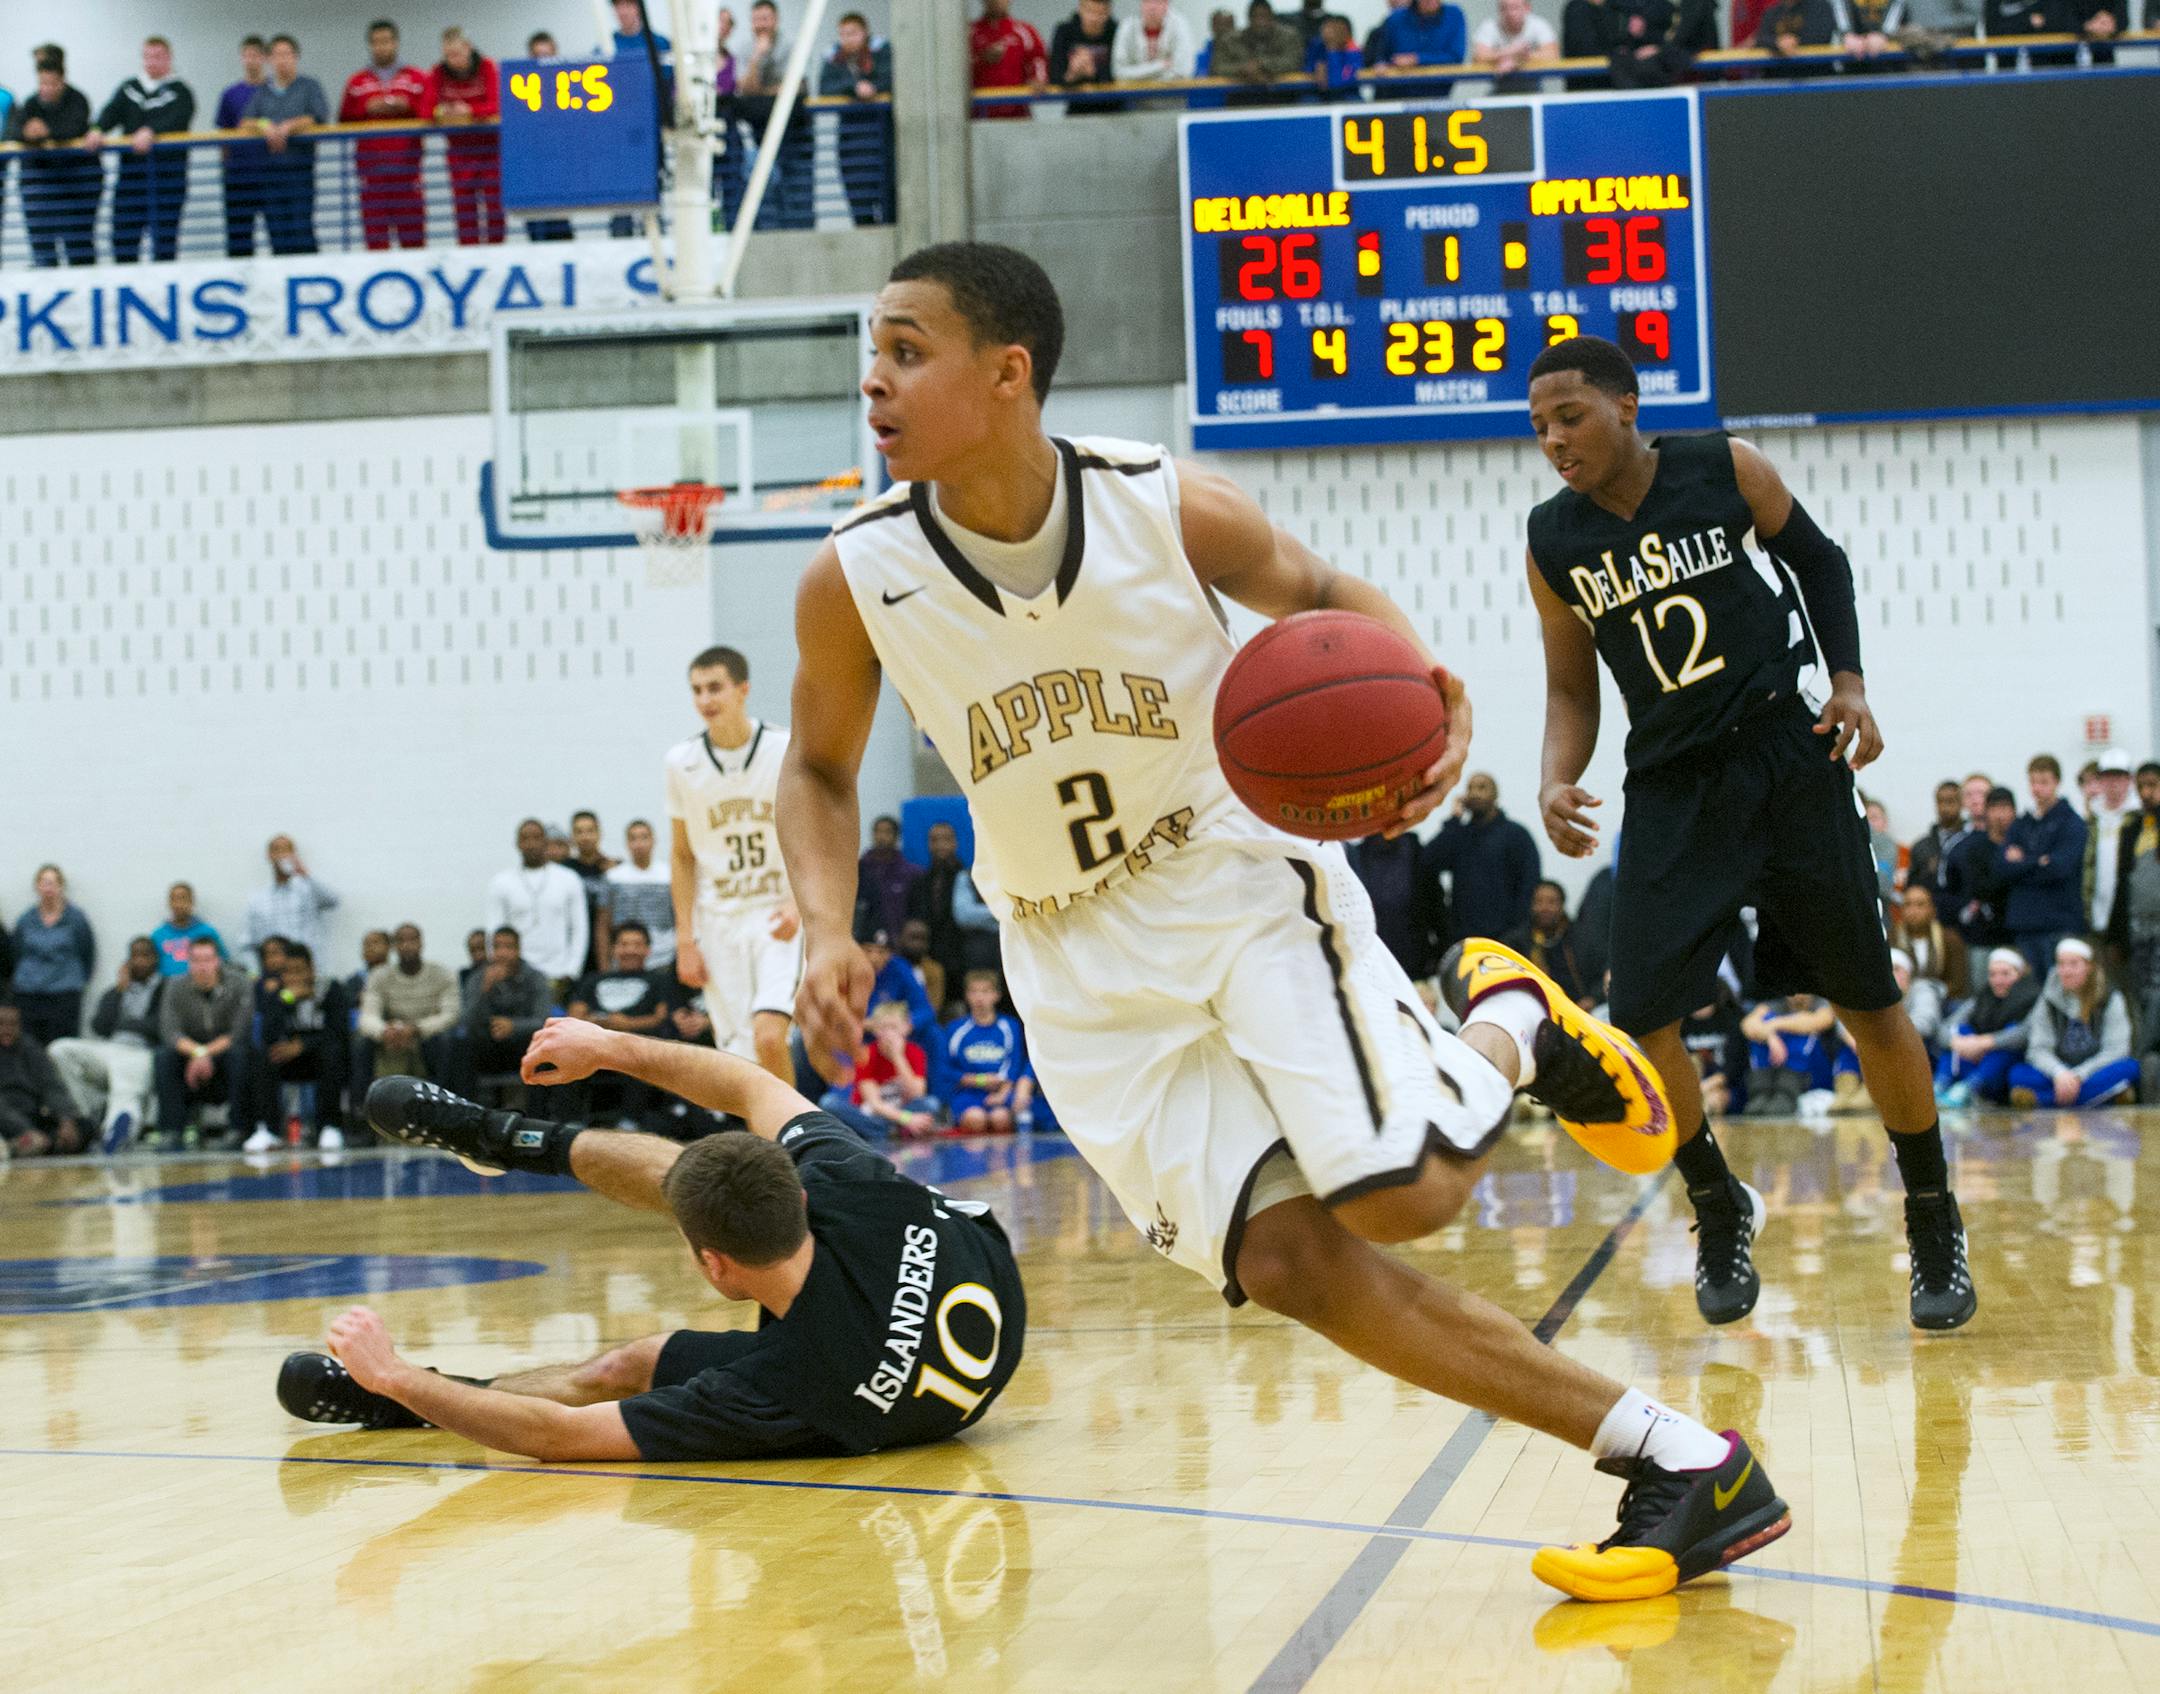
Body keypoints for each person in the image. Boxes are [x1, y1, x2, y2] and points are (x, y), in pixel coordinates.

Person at [780, 242, 1787, 1603]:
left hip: (1228, 878)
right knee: (1291, 1259)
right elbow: (824, 769)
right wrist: (825, 923)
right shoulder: (854, 575)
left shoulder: (1159, 507)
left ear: (1006, 373)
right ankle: (1686, 1463)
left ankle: (1512, 1018)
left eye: (908, 348)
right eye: (875, 349)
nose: (875, 378)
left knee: (1406, 1191)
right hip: (1068, 959)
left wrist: (1430, 691)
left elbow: (1319, 598)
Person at [1523, 334, 1972, 1331]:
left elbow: (1821, 562)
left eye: (1571, 416)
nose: (1554, 440)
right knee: (1639, 1016)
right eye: (1540, 426)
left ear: (1626, 405)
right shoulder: (1553, 538)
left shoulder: (1721, 466)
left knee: (1868, 998)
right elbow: (1569, 682)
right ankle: (1719, 1205)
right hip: (1674, 785)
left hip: (1784, 752)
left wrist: (1848, 681)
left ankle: (1933, 1215)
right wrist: (1556, 776)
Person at [296, 1022, 1027, 1466]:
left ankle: (415, 1405)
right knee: (711, 1189)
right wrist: (606, 1047)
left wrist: (393, 1377)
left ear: (713, 1265)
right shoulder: (849, 1186)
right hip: (970, 1286)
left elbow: (559, 1438)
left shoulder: (778, 1387)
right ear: (803, 1194)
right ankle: (497, 1138)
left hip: (865, 1384)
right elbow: (747, 1084)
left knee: (632, 1360)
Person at [667, 647, 801, 1082]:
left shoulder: (783, 748)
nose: (706, 699)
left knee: (769, 1037)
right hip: (719, 920)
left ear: (742, 690)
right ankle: (767, 1149)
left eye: (715, 687)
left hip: (776, 912)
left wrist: (802, 904)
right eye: (697, 690)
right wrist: (685, 939)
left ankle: (799, 1143)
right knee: (742, 1065)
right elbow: (683, 855)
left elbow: (814, 834)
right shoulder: (680, 763)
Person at [49, 937, 165, 1153]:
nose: (139, 961)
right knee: (59, 1049)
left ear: (155, 959)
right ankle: (85, 1120)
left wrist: (128, 1024)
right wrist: (119, 992)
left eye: (144, 956)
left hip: (141, 1051)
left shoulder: (166, 988)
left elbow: (160, 1026)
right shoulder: (116, 991)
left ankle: (117, 1132)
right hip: (109, 1049)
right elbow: (100, 1026)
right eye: (134, 956)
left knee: (125, 1085)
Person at [561, 922, 677, 1126]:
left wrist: (627, 1024)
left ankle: (630, 1122)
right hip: (592, 1043)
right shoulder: (593, 979)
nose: (630, 950)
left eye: (636, 944)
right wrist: (601, 1023)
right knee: (562, 1048)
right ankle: (569, 1123)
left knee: (641, 1048)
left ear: (647, 949)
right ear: (614, 949)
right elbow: (574, 1016)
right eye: (624, 944)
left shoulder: (660, 980)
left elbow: (662, 1017)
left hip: (635, 1043)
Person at [92, 36, 196, 264]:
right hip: (131, 180)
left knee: (164, 242)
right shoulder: (130, 87)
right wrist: (98, 129)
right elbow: (111, 112)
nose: (152, 62)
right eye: (148, 57)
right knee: (122, 239)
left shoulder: (181, 92)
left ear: (168, 59)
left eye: (158, 57)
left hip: (167, 181)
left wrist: (151, 131)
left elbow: (177, 118)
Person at [242, 942, 352, 1152]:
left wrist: (303, 1045)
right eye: (287, 972)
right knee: (262, 1056)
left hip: (320, 1056)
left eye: (299, 971)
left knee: (333, 1052)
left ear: (311, 969)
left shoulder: (330, 989)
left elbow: (339, 1032)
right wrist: (287, 1000)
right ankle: (268, 1131)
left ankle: (329, 1127)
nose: (293, 977)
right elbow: (268, 1034)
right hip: (290, 1060)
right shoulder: (280, 994)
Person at [2008, 939, 2137, 1109]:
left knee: (2130, 1068)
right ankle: (2101, 1097)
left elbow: (2116, 1049)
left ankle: (2044, 1101)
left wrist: (2079, 1075)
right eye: (2061, 964)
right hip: (2058, 1071)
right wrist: (2059, 1073)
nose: (2066, 971)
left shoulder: (2110, 998)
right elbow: (2038, 1049)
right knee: (2017, 1073)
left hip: (2094, 1071)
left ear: (2089, 967)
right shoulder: (2048, 999)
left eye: (2073, 964)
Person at [341, 19, 431, 251]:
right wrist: (366, 109)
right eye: (377, 42)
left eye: (387, 41)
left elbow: (429, 111)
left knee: (414, 241)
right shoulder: (356, 81)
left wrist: (406, 105)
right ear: (370, 45)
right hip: (372, 176)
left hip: (408, 174)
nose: (382, 47)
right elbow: (344, 118)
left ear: (396, 43)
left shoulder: (416, 77)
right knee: (376, 242)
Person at [154, 936, 252, 1149]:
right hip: (189, 1055)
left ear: (218, 961)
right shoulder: (175, 987)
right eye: (196, 960)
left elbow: (239, 1032)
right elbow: (170, 1032)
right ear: (189, 962)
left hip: (223, 1054)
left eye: (207, 959)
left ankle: (238, 1129)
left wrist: (205, 1054)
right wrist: (198, 1053)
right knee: (164, 1056)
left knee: (241, 1054)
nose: (202, 966)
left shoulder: (239, 984)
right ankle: (171, 1131)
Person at [1423, 772, 1540, 944]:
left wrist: (1516, 929)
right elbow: (1429, 862)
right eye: (1470, 788)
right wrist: (1454, 819)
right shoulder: (1459, 834)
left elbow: (1530, 883)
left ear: (1495, 795)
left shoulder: (1516, 835)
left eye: (1482, 787)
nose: (1475, 793)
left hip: (1507, 938)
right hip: (1464, 938)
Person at [9, 48, 98, 268]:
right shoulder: (31, 103)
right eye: (42, 84)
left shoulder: (78, 99)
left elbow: (75, 126)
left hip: (74, 187)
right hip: (42, 188)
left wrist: (46, 131)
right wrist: (27, 133)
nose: (46, 89)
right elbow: (15, 130)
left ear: (61, 81)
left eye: (51, 84)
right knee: (43, 247)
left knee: (78, 245)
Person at [244, 36, 329, 257]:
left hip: (300, 170)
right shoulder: (263, 90)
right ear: (270, 59)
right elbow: (247, 120)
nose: (282, 60)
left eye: (287, 54)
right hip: (270, 173)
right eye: (277, 55)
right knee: (277, 232)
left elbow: (319, 115)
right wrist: (266, 126)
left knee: (302, 228)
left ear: (296, 57)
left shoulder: (309, 86)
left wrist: (290, 126)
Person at [2002, 754, 2087, 977]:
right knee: (2029, 990)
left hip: (2058, 923)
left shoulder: (2071, 823)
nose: (2037, 789)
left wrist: (2023, 861)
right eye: (2033, 782)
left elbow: (2060, 867)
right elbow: (2003, 867)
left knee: (2059, 985)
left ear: (2057, 782)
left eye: (2043, 782)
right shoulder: (2022, 823)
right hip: (2024, 923)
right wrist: (2039, 860)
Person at [356, 923, 462, 1096]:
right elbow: (367, 1017)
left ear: (421, 943)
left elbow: (451, 1015)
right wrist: (384, 1031)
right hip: (392, 1036)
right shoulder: (379, 975)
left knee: (450, 1040)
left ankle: (446, 1103)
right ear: (393, 946)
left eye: (412, 939)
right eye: (401, 941)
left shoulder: (442, 974)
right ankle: (362, 1109)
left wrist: (416, 1029)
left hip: (428, 1035)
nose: (407, 945)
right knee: (360, 1042)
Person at [485, 819, 590, 993]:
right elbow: (494, 931)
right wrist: (500, 968)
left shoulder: (569, 879)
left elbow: (580, 929)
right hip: (517, 976)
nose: (531, 844)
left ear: (546, 842)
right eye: (525, 838)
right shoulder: (500, 883)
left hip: (559, 973)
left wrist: (572, 971)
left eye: (537, 838)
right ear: (517, 843)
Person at [427, 28, 502, 246]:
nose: (453, 60)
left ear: (468, 48)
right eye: (448, 55)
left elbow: (496, 105)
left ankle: (496, 251)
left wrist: (469, 111)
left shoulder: (487, 67)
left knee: (494, 208)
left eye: (457, 54)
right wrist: (442, 112)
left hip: (490, 151)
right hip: (459, 153)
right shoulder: (438, 73)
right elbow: (425, 109)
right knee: (464, 210)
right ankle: (468, 253)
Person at [817, 13, 893, 227]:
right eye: (843, 34)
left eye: (853, 33)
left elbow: (893, 78)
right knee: (859, 202)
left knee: (888, 202)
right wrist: (854, 88)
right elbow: (825, 88)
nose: (847, 38)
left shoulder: (882, 51)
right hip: (851, 140)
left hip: (881, 136)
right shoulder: (834, 58)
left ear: (865, 32)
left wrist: (874, 88)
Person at [935, 970, 1034, 1133]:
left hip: (1002, 1092)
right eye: (974, 992)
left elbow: (1015, 1062)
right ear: (967, 996)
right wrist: (978, 1080)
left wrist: (1004, 1091)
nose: (980, 998)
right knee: (976, 1119)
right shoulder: (956, 1029)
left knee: (1000, 1118)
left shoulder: (1010, 1026)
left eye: (985, 992)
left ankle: (1003, 1158)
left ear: (996, 995)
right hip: (967, 1093)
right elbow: (945, 1069)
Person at [2104, 760, 2160, 1039]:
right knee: (2141, 995)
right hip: (2137, 928)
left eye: (2153, 786)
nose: (2147, 793)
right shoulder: (2132, 828)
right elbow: (2121, 884)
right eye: (2142, 787)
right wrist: (2116, 936)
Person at [11, 864, 96, 1046]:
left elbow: (86, 952)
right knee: (30, 1046)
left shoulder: (76, 919)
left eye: (53, 883)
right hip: (29, 993)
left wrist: (77, 979)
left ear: (61, 886)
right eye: (44, 883)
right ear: (37, 887)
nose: (48, 888)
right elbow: (16, 952)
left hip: (64, 993)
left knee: (62, 1047)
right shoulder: (26, 920)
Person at [1943, 784, 2016, 996]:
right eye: (1995, 808)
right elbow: (1979, 889)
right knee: (1982, 991)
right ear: (1986, 812)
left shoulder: (2023, 843)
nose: (2000, 815)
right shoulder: (1974, 847)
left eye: (2005, 808)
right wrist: (2014, 867)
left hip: (2016, 932)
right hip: (1982, 934)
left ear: (2014, 811)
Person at [458, 927, 554, 1085]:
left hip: (524, 1045)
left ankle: (539, 1109)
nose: (502, 953)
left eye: (508, 947)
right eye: (497, 947)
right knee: (460, 1046)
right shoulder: (478, 978)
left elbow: (544, 1020)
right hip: (489, 1046)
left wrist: (514, 1026)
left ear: (518, 949)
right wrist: (484, 990)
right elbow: (466, 1021)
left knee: (546, 1045)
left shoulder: (535, 978)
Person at [0, 1001, 85, 1158]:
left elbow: (52, 1086)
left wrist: (66, 1120)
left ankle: (28, 1146)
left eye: (12, 1024)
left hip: (32, 1116)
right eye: (1, 1024)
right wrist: (25, 1130)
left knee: (83, 1127)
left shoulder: (30, 1048)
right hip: (7, 1122)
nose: (7, 1030)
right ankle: (17, 1146)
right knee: (33, 1142)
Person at [239, 835, 338, 968]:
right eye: (277, 850)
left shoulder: (308, 890)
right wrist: (256, 974)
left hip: (307, 971)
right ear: (269, 856)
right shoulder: (258, 900)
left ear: (294, 854)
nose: (282, 855)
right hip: (273, 974)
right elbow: (247, 942)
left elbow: (333, 901)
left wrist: (305, 875)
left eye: (287, 850)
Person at [216, 35, 270, 257]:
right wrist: (227, 168)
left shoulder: (274, 91)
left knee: (279, 233)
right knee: (239, 238)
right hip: (238, 176)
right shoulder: (230, 94)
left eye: (256, 55)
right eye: (247, 55)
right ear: (241, 58)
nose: (251, 60)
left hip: (271, 174)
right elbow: (224, 135)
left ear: (264, 58)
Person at [1504, 881, 1593, 1007]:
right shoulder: (1516, 941)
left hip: (1580, 1009)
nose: (1544, 908)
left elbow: (1603, 974)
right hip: (1533, 1007)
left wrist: (1593, 998)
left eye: (1551, 902)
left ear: (1562, 905)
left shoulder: (1581, 937)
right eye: (1538, 902)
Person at [605, 819, 677, 970]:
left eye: (644, 837)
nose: (639, 844)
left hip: (665, 956)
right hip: (624, 958)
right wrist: (605, 962)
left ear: (653, 840)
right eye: (633, 838)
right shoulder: (613, 877)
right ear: (627, 843)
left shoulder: (669, 875)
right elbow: (604, 922)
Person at [2082, 747, 2134, 943]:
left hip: (2127, 914)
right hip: (2095, 912)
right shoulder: (2092, 820)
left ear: (2129, 780)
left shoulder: (2138, 818)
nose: (2113, 783)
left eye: (2119, 777)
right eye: (2108, 777)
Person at [972, 0, 1049, 120]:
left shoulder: (1025, 31)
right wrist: (982, 59)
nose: (996, 2)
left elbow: (1038, 59)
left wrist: (1038, 79)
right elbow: (955, 69)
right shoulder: (970, 33)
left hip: (1017, 114)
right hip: (979, 116)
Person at [854, 814, 924, 944]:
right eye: (878, 831)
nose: (882, 837)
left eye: (887, 832)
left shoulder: (911, 873)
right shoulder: (858, 869)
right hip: (863, 941)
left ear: (897, 836)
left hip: (899, 941)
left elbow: (916, 911)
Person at [1905, 780, 1969, 912]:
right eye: (1940, 802)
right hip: (1930, 916)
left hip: (1963, 916)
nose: (1945, 808)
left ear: (1961, 803)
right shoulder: (1921, 846)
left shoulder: (1972, 842)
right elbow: (1912, 887)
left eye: (1951, 801)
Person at [1892, 883, 1965, 996]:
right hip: (1900, 1000)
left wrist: (1929, 992)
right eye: (1908, 904)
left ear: (1932, 910)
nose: (1913, 911)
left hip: (1940, 999)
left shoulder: (1950, 939)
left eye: (1920, 905)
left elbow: (1958, 983)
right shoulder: (1891, 939)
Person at [1051, 0, 1123, 109]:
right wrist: (1072, 74)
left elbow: (1121, 73)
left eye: (1100, 14)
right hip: (1077, 107)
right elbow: (1054, 74)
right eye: (1090, 12)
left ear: (1108, 12)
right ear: (1080, 9)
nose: (1094, 18)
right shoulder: (1065, 32)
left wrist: (1093, 72)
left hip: (1113, 107)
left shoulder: (1118, 32)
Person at [1471, 0, 1560, 88]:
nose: (1510, 13)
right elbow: (1478, 57)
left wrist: (1516, 60)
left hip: (1533, 90)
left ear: (1527, 8)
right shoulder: (1489, 26)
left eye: (1515, 7)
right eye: (1504, 8)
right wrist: (1511, 51)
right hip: (1498, 90)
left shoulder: (1539, 24)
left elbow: (1553, 55)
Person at [151, 882, 225, 978]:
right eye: (174, 899)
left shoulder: (207, 932)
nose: (178, 904)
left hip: (198, 986)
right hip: (166, 987)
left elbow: (223, 961)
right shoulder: (158, 935)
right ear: (169, 903)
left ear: (192, 902)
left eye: (183, 898)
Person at [1114, 0, 1199, 79]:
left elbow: (1184, 71)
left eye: (1158, 2)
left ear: (1167, 4)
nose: (1152, 7)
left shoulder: (1180, 25)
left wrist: (1138, 74)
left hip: (1172, 93)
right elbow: (1119, 72)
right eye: (1147, 1)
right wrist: (1161, 65)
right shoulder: (1127, 26)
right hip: (1135, 93)